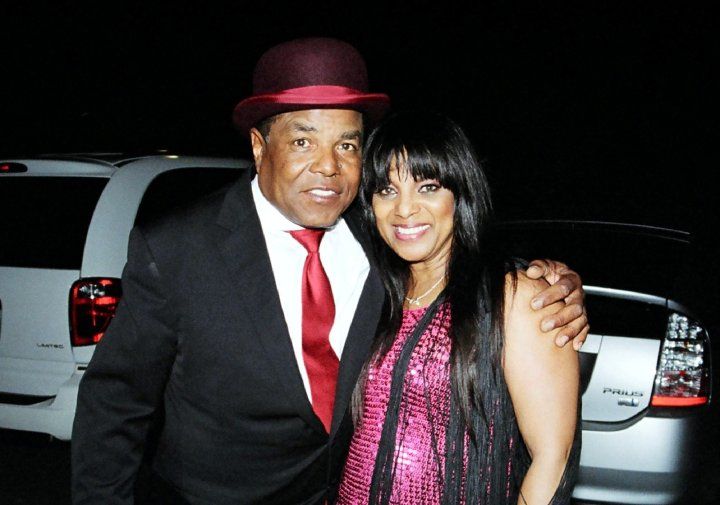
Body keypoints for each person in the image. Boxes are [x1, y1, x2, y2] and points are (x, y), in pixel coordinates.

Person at [71, 38, 587, 505]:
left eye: (347, 145)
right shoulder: (177, 248)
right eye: (303, 141)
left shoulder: (381, 233)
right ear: (259, 147)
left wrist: (550, 283)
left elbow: (464, 272)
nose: (329, 166)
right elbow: (115, 404)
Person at [337, 111, 580, 504]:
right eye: (386, 190)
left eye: (428, 187)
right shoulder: (372, 291)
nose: (404, 209)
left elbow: (553, 457)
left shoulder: (513, 297)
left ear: (460, 194)